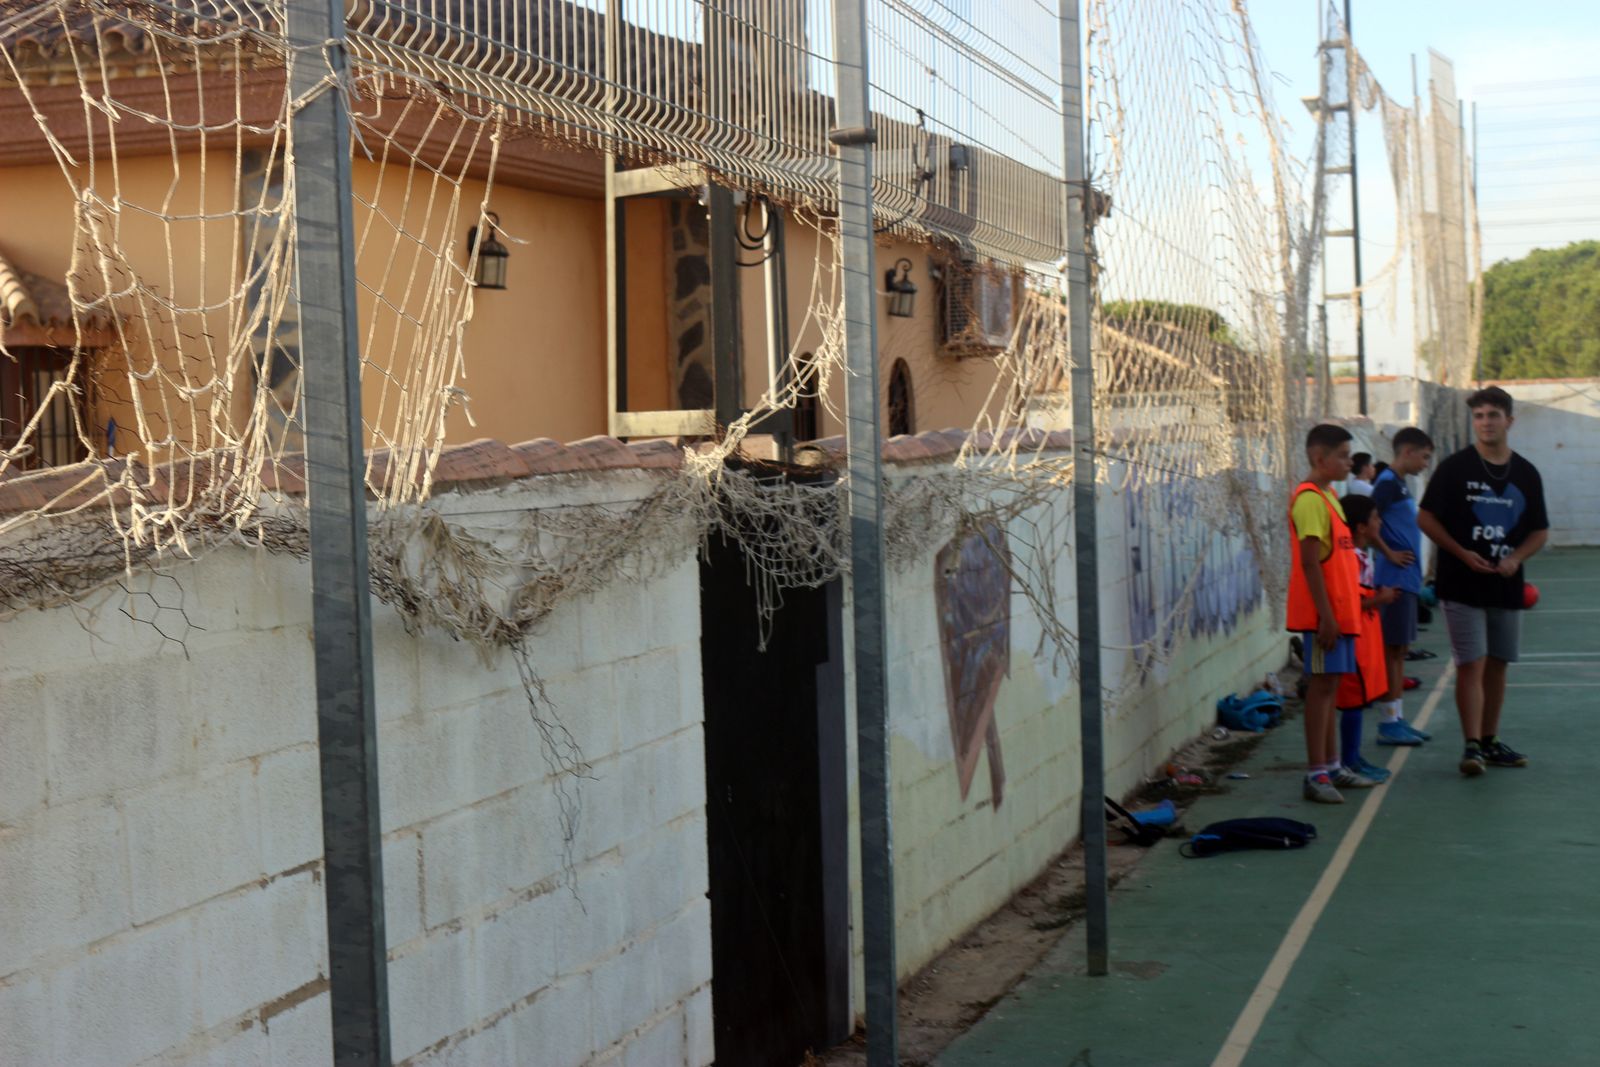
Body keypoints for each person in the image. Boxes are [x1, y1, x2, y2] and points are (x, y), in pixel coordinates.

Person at [1418, 386, 1549, 776]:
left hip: (1506, 585)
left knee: (1498, 664)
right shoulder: (1455, 468)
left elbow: (1539, 531)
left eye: (1493, 415)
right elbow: (1425, 518)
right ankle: (1471, 746)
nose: (1486, 422)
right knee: (1470, 663)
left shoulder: (1525, 473)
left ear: (1509, 420)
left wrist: (1515, 558)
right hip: (1461, 583)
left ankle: (1490, 742)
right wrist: (1461, 553)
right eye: (1479, 416)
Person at [1288, 424, 1364, 804]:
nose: (1350, 463)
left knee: (1331, 687)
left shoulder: (1330, 496)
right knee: (1319, 689)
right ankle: (1315, 773)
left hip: (1342, 615)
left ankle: (1333, 766)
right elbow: (1309, 564)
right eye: (1343, 456)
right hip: (1324, 619)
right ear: (1320, 458)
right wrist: (1326, 617)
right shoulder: (1309, 500)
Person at [1371, 427, 1435, 745]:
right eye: (1424, 456)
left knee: (1399, 651)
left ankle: (1396, 716)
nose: (1425, 463)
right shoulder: (1385, 485)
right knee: (1390, 651)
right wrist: (1389, 553)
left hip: (1406, 579)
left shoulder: (1399, 485)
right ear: (1407, 451)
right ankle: (1387, 722)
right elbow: (1367, 526)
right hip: (1393, 579)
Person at [1337, 494, 1399, 784]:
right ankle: (1348, 761)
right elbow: (1347, 604)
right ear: (1361, 527)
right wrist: (1380, 599)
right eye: (1375, 517)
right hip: (1353, 638)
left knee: (1359, 701)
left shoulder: (1362, 555)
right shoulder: (1349, 558)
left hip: (1364, 636)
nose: (1380, 522)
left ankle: (1353, 757)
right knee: (1352, 701)